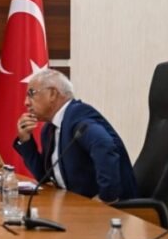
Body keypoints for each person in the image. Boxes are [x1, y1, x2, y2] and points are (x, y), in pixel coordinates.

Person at [12, 69, 137, 202]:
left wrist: (106, 197)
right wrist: (26, 140)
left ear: (53, 93)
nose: (26, 102)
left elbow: (104, 145)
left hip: (116, 210)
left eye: (31, 94)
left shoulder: (79, 118)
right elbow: (43, 176)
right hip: (72, 202)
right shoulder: (49, 128)